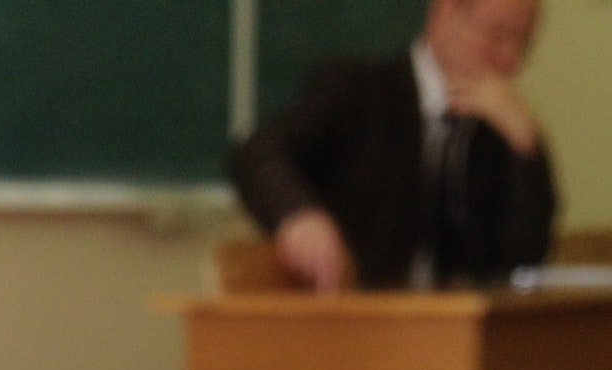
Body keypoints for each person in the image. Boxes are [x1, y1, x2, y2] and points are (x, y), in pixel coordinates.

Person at [231, 0, 556, 291]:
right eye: (497, 36)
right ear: (443, 14)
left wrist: (527, 148)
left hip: (452, 325)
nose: (509, 59)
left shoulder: (495, 130)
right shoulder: (360, 88)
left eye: (523, 44)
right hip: (354, 315)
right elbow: (260, 152)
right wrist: (299, 216)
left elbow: (521, 262)